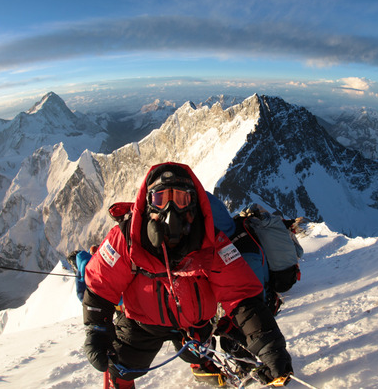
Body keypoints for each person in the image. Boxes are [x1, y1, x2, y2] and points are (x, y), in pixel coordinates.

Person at [82, 162, 293, 388]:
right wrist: (97, 329)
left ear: (193, 205)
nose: (170, 210)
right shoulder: (127, 238)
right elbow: (100, 286)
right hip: (142, 323)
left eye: (181, 199)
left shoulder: (211, 241)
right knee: (122, 367)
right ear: (147, 203)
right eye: (160, 199)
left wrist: (271, 346)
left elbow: (241, 296)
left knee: (196, 351)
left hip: (194, 324)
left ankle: (199, 363)